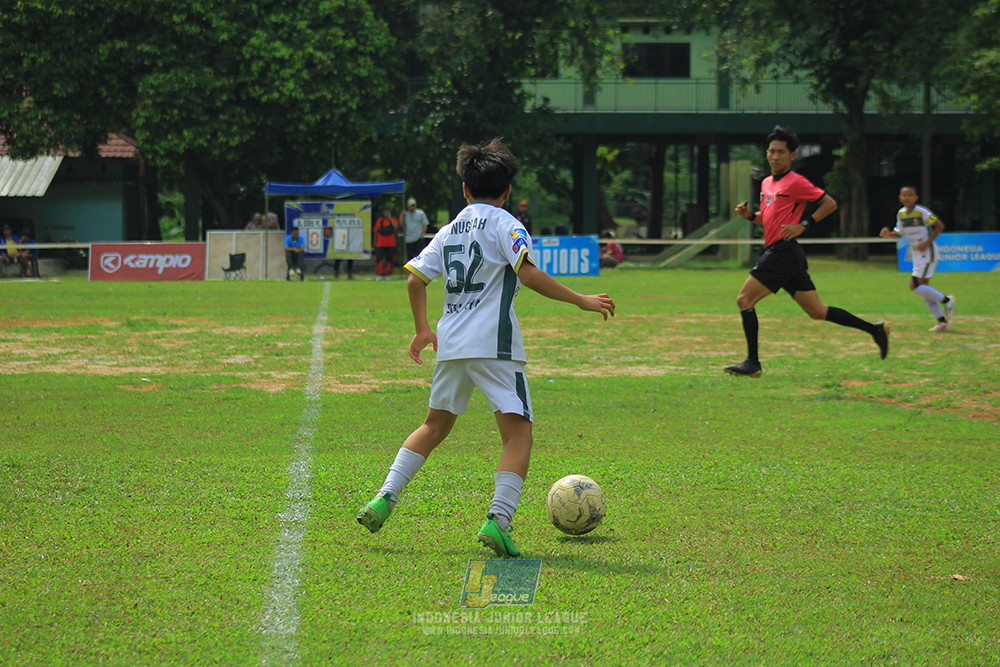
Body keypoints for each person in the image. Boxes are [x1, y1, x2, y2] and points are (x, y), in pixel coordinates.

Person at [356, 138, 615, 558]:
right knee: (518, 436)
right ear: (508, 190)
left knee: (434, 426)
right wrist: (582, 300)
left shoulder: (448, 229)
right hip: (495, 345)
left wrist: (423, 329)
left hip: (452, 343)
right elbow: (528, 275)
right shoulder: (505, 224)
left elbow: (414, 279)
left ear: (464, 189)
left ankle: (384, 497)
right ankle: (498, 520)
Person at [726, 126, 890, 378]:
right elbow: (767, 219)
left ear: (792, 155)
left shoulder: (796, 182)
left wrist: (805, 224)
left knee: (744, 300)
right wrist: (749, 216)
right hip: (786, 254)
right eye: (771, 151)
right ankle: (874, 329)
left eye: (781, 152)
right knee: (817, 311)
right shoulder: (766, 183)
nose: (775, 156)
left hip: (781, 252)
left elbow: (829, 203)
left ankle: (753, 363)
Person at [879, 186, 955, 331]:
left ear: (916, 198)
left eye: (910, 195)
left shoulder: (922, 212)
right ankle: (942, 322)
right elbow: (899, 233)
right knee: (924, 288)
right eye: (904, 195)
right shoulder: (901, 214)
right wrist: (888, 234)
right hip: (917, 254)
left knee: (914, 285)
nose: (907, 197)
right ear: (900, 198)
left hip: (928, 252)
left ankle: (946, 300)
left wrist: (927, 243)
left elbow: (939, 225)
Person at [372, 204, 398, 281]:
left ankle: (387, 274)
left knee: (389, 259)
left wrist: (390, 218)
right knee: (379, 259)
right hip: (380, 243)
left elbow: (396, 227)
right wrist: (374, 242)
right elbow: (375, 232)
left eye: (387, 211)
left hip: (391, 244)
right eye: (385, 211)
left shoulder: (393, 220)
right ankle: (379, 274)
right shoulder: (379, 221)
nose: (386, 212)